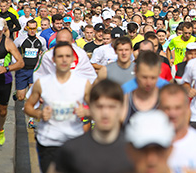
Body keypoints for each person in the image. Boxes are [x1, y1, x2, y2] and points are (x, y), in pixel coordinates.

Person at [24, 41, 92, 172]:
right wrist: (39, 114)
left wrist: (86, 112)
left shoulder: (83, 84)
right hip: (49, 142)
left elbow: (97, 110)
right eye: (60, 56)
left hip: (74, 141)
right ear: (53, 59)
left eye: (68, 56)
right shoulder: (41, 83)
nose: (64, 60)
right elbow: (28, 107)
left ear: (73, 59)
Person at [48, 80, 133, 173]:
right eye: (99, 106)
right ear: (90, 108)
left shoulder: (134, 152)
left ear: (122, 109)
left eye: (111, 107)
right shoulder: (70, 150)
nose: (105, 113)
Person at [159, 84, 196, 173]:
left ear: (187, 109)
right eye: (167, 108)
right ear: (158, 109)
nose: (172, 113)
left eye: (178, 108)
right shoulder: (147, 146)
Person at [0, 18, 24, 155]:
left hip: (4, 81)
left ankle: (0, 128)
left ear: (3, 30)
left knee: (2, 111)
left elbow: (20, 63)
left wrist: (7, 68)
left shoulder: (8, 43)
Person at [121, 51, 161, 126]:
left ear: (159, 72)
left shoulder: (165, 100)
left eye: (153, 78)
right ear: (135, 71)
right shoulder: (125, 99)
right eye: (144, 77)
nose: (148, 83)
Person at [13, 19, 47, 101]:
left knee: (33, 96)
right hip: (22, 70)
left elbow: (45, 51)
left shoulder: (41, 40)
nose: (32, 31)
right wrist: (16, 64)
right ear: (26, 28)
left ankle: (30, 112)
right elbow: (12, 50)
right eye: (30, 28)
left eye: (34, 28)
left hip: (34, 70)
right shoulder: (20, 39)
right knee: (20, 97)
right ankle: (17, 93)